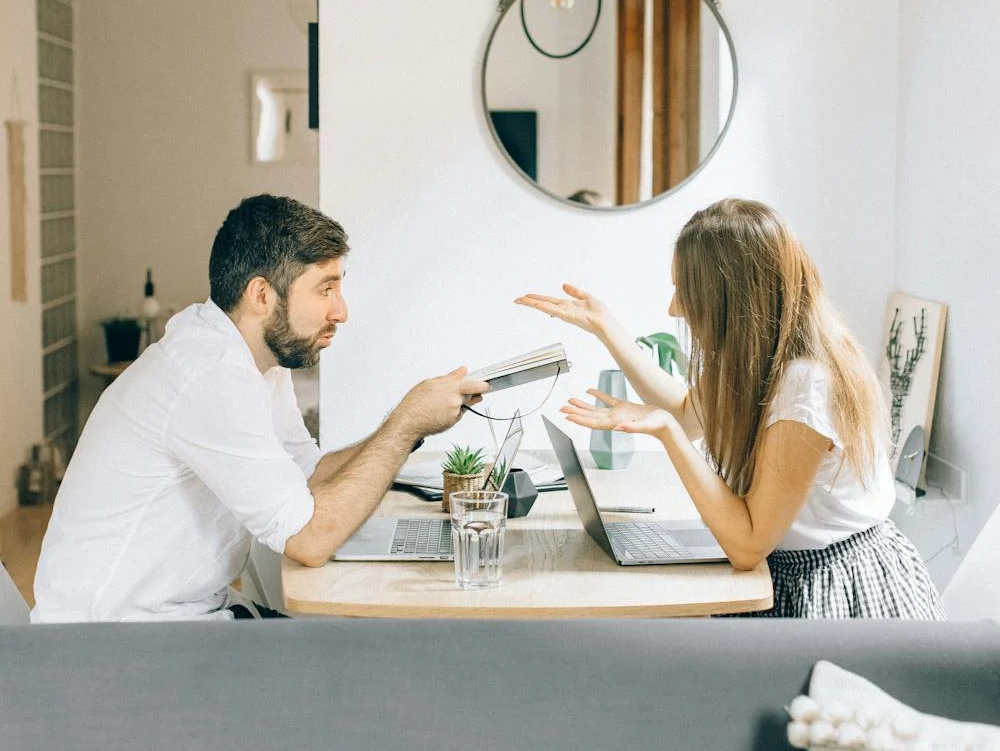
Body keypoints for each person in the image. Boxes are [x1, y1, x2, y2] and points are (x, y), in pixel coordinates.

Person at [32, 195, 487, 623]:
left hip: (176, 617)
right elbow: (308, 541)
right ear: (262, 295)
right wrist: (406, 425)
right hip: (111, 644)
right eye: (325, 289)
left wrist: (412, 421)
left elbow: (307, 474)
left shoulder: (255, 361)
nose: (341, 311)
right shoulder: (209, 375)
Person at [516, 198, 943, 619]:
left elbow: (748, 544)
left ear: (731, 299)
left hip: (833, 586)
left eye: (685, 291)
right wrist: (608, 330)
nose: (674, 308)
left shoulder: (806, 385)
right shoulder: (761, 358)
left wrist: (664, 432)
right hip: (783, 572)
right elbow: (688, 412)